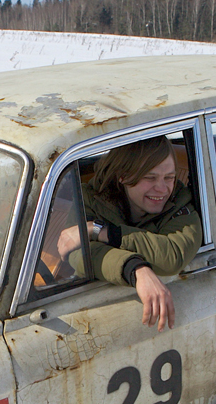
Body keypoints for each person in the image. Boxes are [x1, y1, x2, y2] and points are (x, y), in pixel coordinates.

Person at [57, 136, 203, 331]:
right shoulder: (92, 198)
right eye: (150, 178)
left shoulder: (181, 204)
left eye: (169, 177)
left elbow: (172, 255)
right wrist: (136, 269)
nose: (162, 188)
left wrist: (100, 231)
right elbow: (79, 254)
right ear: (123, 176)